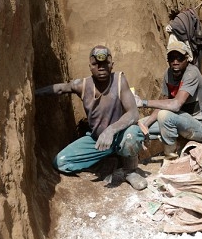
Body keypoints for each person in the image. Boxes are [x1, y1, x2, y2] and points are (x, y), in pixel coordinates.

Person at [35, 45, 147, 190]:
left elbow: (133, 113)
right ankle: (105, 162)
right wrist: (32, 93)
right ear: (90, 67)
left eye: (105, 63)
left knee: (133, 134)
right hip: (97, 140)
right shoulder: (83, 85)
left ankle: (130, 171)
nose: (101, 68)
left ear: (112, 65)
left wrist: (110, 130)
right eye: (96, 64)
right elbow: (60, 88)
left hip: (120, 136)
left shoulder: (120, 80)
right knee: (60, 162)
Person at [135, 40, 202, 159]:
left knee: (164, 116)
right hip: (176, 120)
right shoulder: (168, 73)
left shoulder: (192, 73)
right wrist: (146, 125)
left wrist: (144, 103)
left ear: (187, 59)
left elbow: (176, 105)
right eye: (172, 58)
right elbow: (163, 103)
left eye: (180, 58)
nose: (175, 62)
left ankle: (171, 158)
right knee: (137, 127)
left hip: (199, 126)